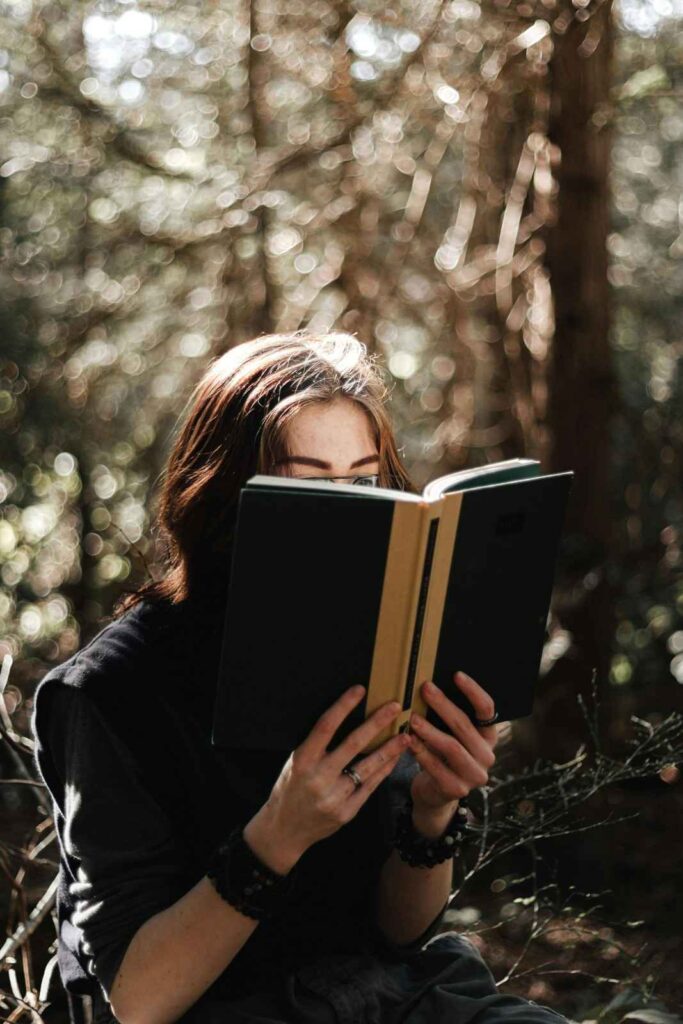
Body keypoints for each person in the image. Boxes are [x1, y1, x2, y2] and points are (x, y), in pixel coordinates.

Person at [31, 330, 572, 1024]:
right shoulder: (110, 690)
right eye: (309, 487)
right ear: (221, 498)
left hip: (379, 998)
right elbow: (139, 999)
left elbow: (396, 932)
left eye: (365, 484)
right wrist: (280, 833)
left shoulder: (381, 650)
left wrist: (432, 813)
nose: (355, 517)